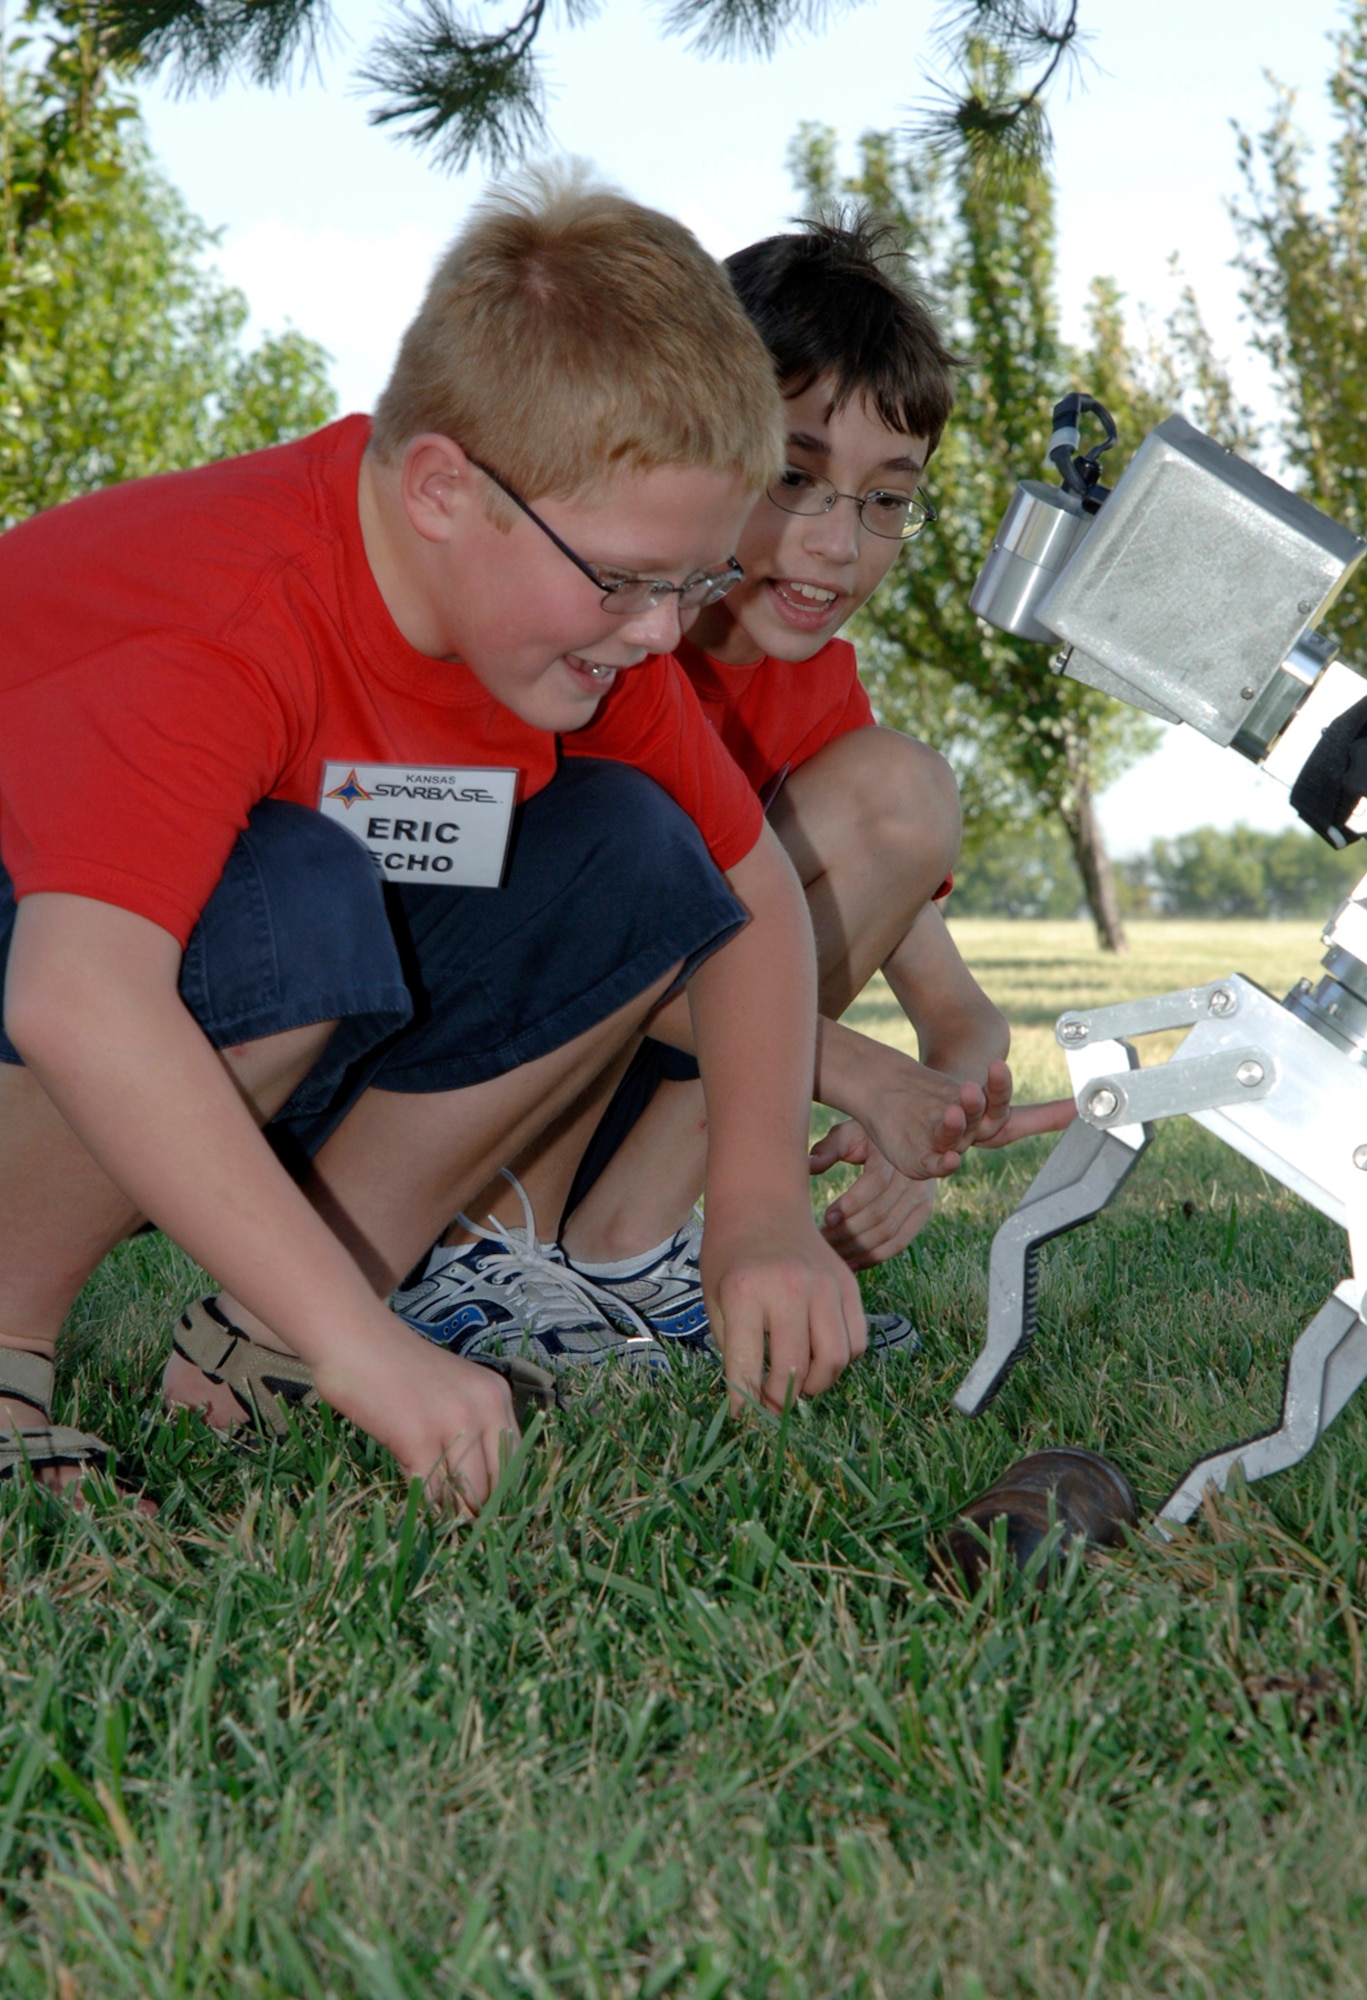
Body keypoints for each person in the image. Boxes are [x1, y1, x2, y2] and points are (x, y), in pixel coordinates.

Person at [0, 173, 901, 1513]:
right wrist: (376, 1359)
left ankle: (269, 1339)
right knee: (298, 904)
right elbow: (79, 996)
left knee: (636, 848)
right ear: (440, 489)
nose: (662, 634)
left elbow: (747, 884)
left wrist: (761, 1201)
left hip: (184, 1010)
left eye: (690, 581)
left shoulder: (586, 621)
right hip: (64, 980)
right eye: (623, 580)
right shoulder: (230, 611)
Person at [396, 213, 1072, 1361]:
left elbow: (951, 1003)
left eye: (885, 499)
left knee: (901, 791)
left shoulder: (820, 697)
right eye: (794, 477)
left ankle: (628, 1245)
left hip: (632, 1084)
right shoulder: (595, 639)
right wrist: (860, 1073)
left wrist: (940, 1107)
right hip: (448, 1072)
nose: (835, 542)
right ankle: (470, 1249)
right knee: (633, 842)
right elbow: (573, 933)